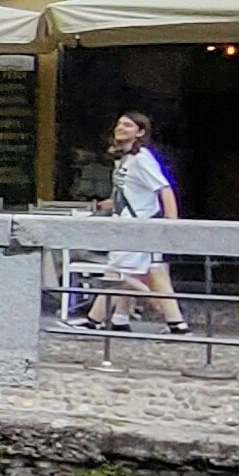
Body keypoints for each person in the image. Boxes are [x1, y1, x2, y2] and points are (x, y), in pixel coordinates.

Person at [89, 111, 191, 333]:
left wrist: (170, 223)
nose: (120, 128)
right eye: (119, 124)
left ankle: (94, 320)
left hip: (137, 226)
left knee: (117, 273)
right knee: (148, 270)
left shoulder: (142, 159)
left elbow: (163, 188)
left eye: (128, 125)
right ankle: (124, 318)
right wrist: (104, 205)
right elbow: (130, 193)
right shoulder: (124, 159)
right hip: (126, 222)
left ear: (140, 132)